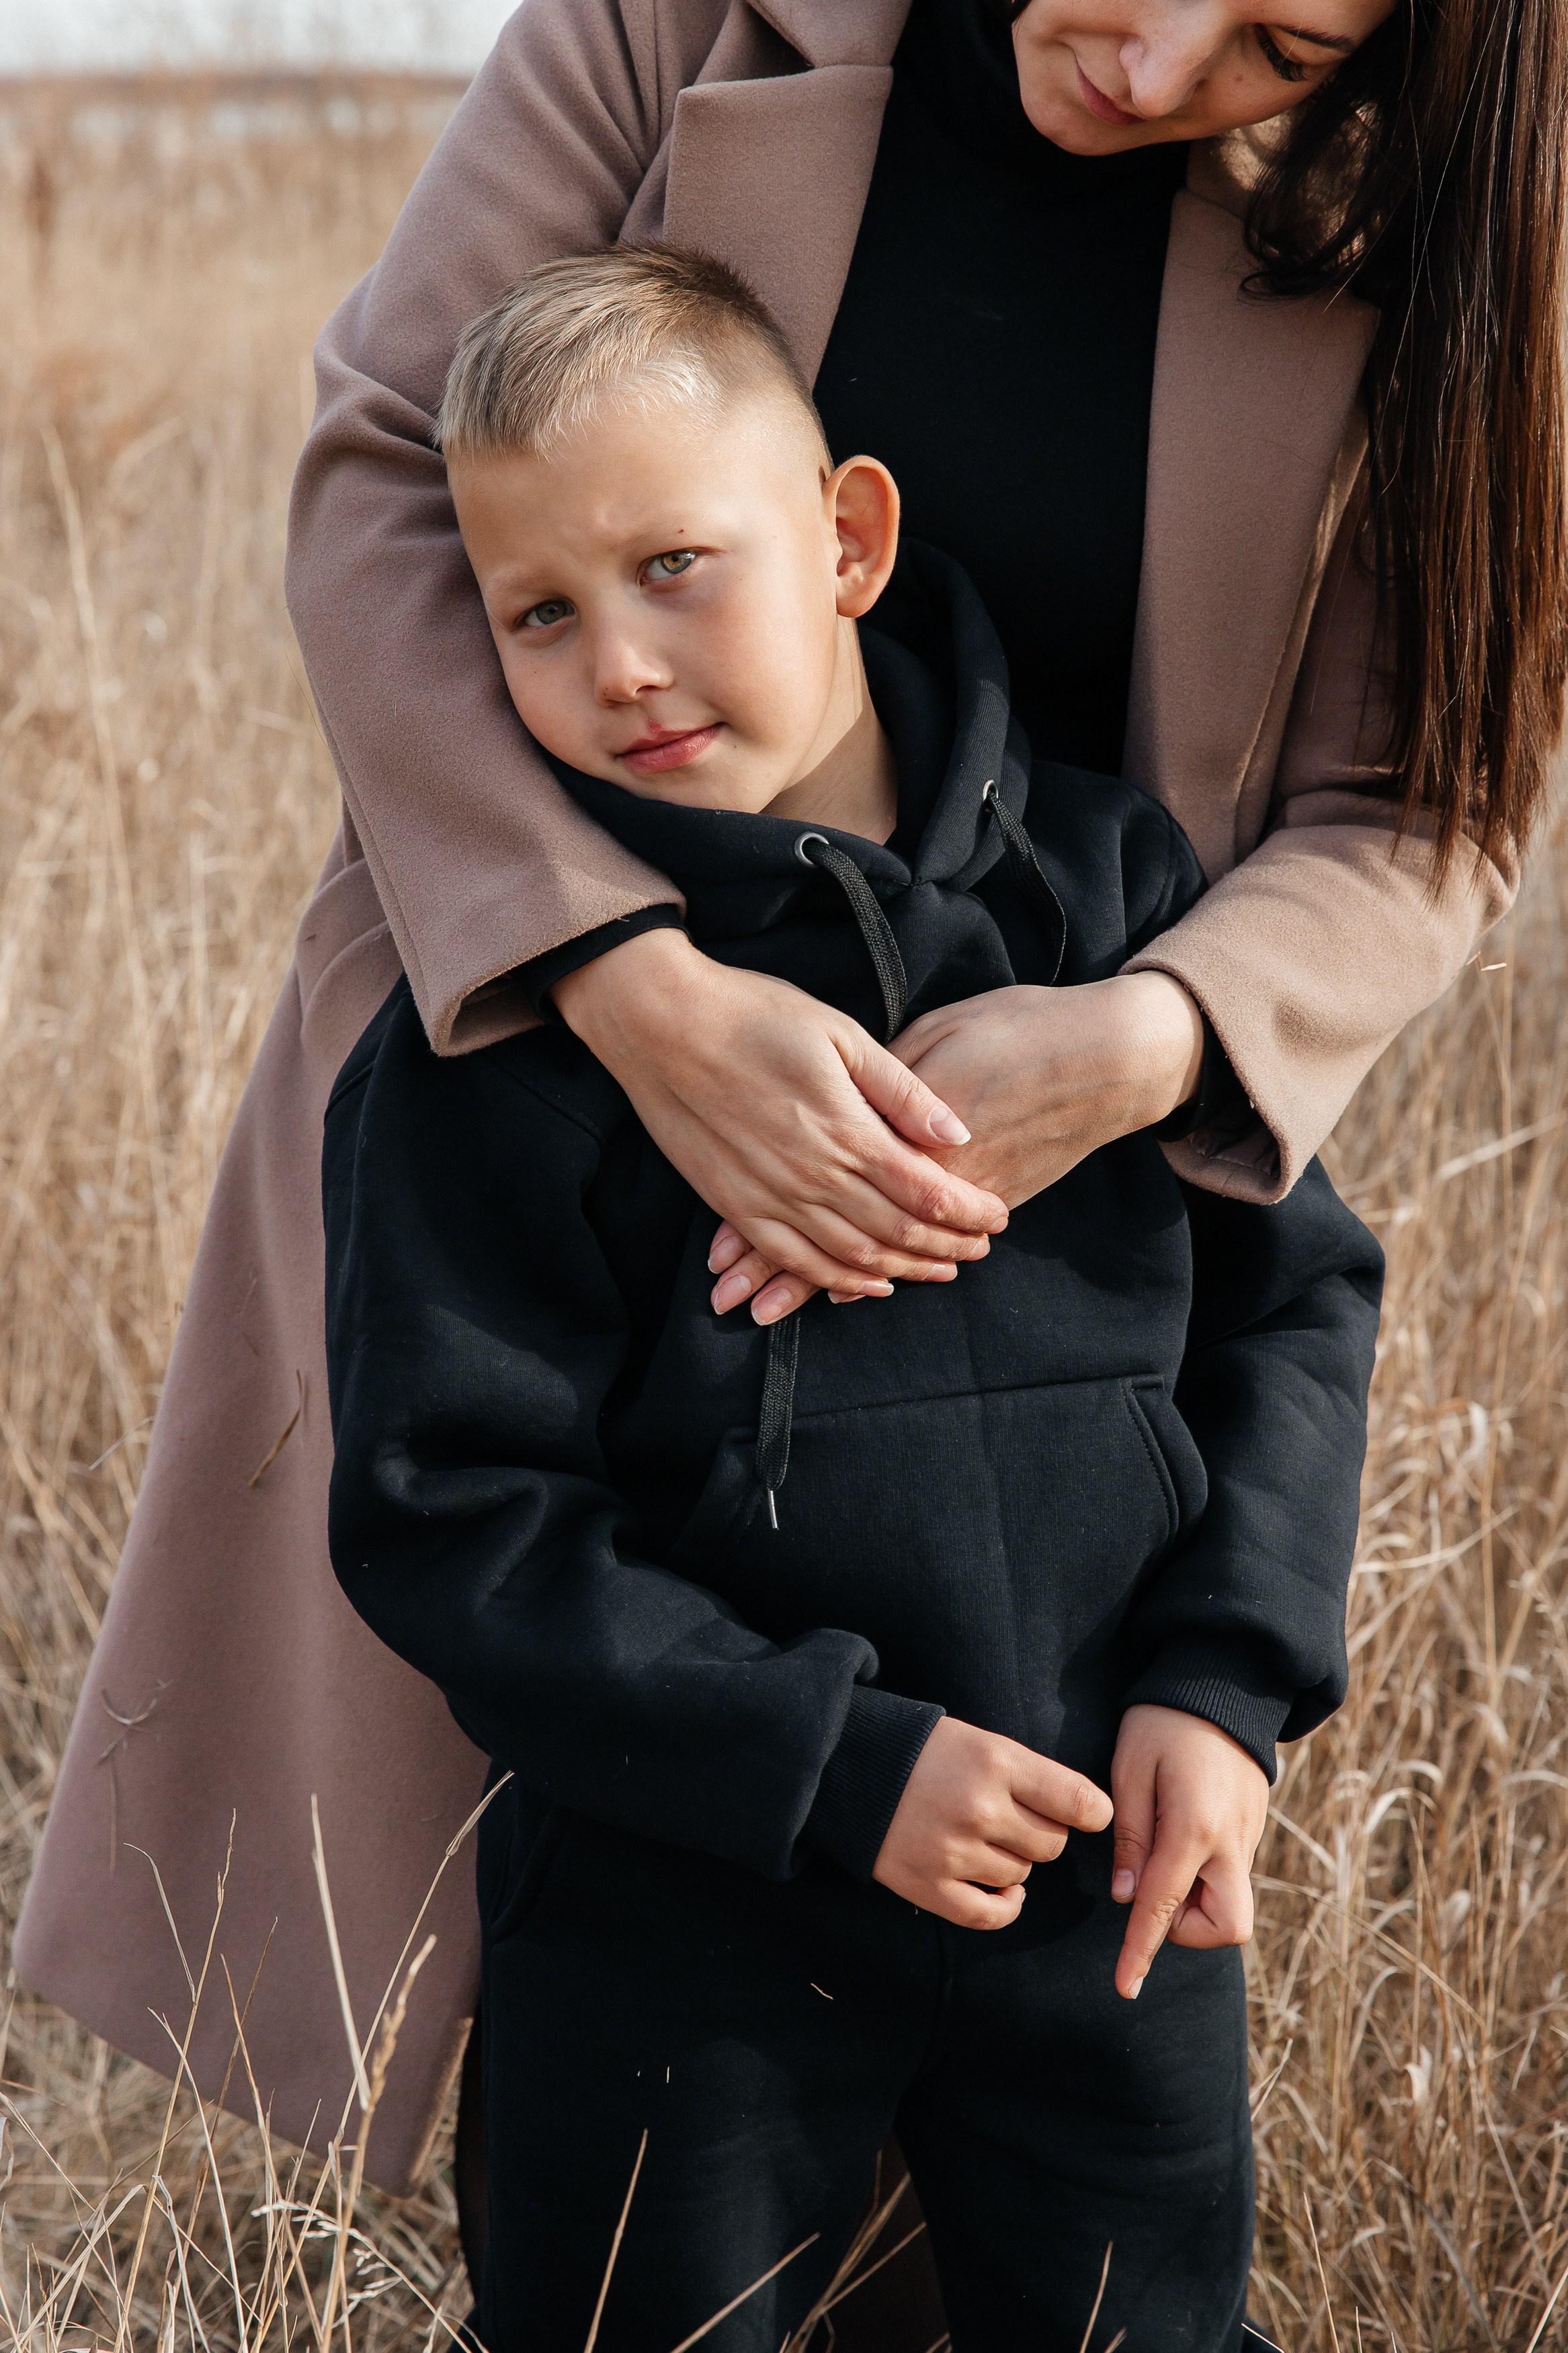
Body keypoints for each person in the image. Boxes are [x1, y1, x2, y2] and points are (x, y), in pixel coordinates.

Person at [17, 0, 1561, 2234]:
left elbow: (1422, 796)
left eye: (1284, 43)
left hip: (1044, 1156)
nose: (1157, 71)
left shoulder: (1430, 201)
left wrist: (1140, 1041)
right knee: (617, 1974)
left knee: (1025, 2031)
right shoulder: (684, 14)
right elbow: (384, 466)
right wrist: (630, 990)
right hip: (545, 1022)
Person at [322, 241, 1383, 2352]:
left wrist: (1226, 1689)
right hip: (675, 1913)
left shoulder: (1109, 903)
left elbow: (1293, 1309)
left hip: (1109, 1874)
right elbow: (459, 1515)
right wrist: (826, 1761)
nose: (619, 661)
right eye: (541, 612)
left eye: (676, 567)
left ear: (850, 539)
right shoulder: (497, 1053)